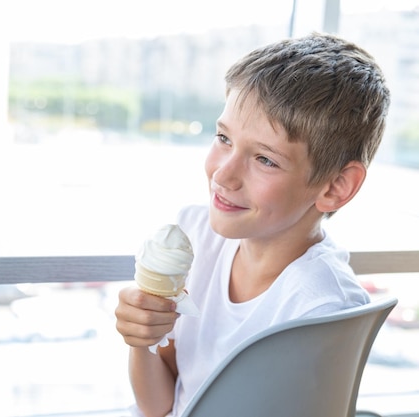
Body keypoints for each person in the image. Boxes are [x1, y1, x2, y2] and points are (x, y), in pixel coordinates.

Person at [114, 32, 390, 417]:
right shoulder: (196, 236)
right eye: (223, 137)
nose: (223, 175)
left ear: (335, 187)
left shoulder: (322, 308)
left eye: (265, 160)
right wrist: (140, 341)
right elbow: (161, 405)